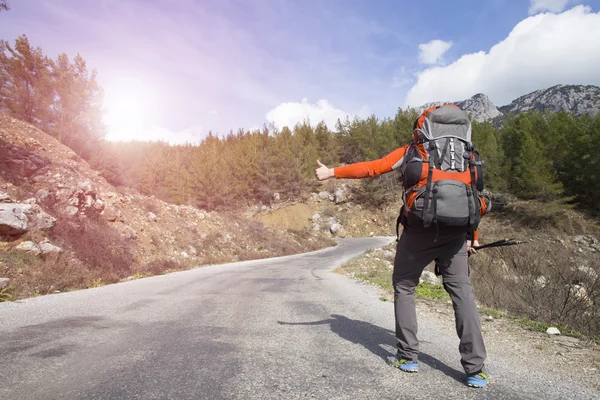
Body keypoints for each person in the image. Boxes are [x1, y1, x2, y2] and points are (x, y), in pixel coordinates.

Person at [314, 105, 489, 389]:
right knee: (462, 293)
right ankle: (475, 369)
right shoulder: (466, 154)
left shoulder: (415, 150)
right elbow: (471, 194)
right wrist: (474, 236)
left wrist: (333, 171)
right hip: (457, 232)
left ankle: (408, 357)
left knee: (404, 286)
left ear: (423, 127)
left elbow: (373, 168)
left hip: (419, 229)